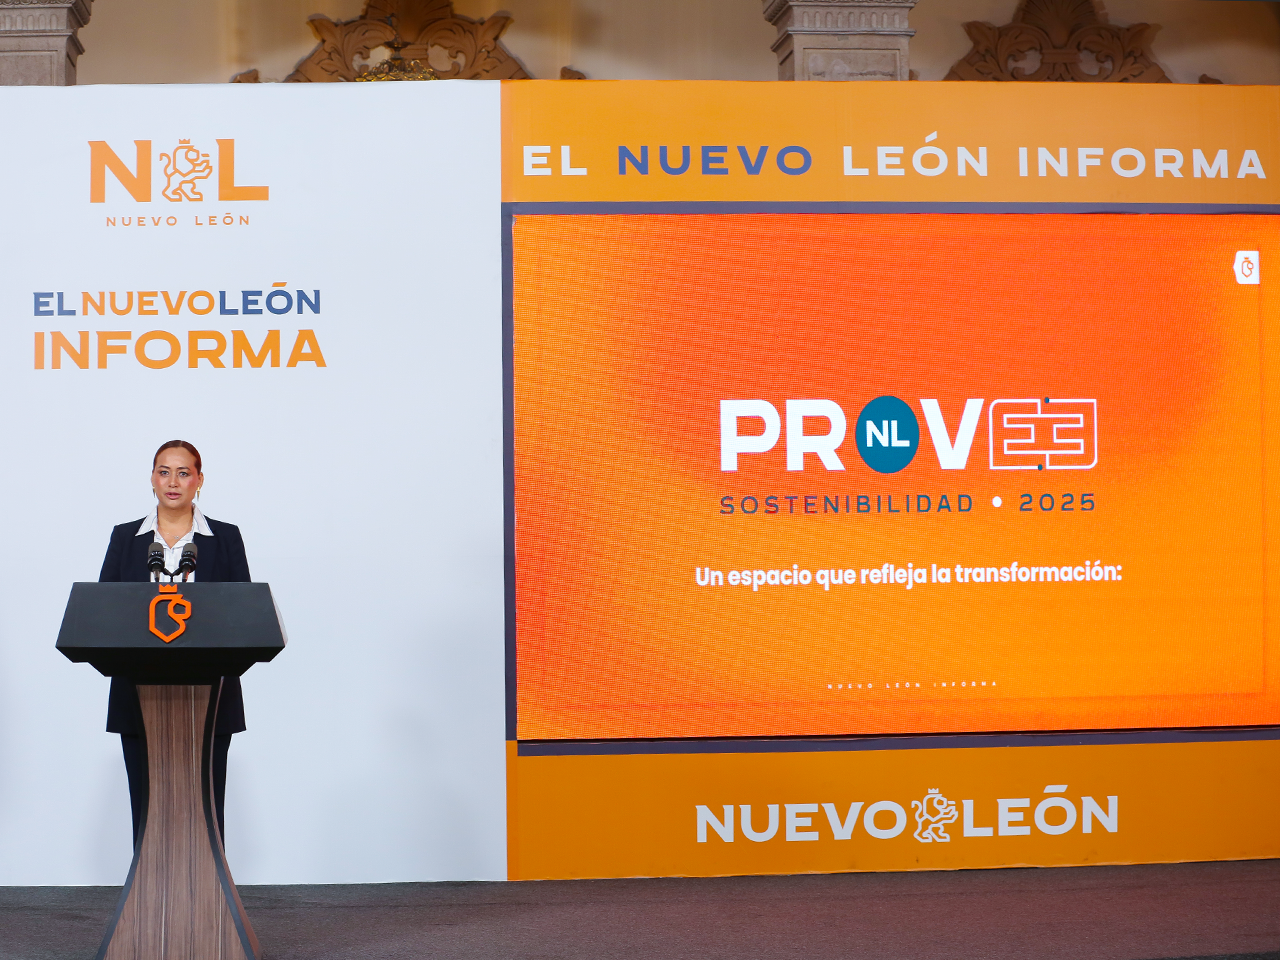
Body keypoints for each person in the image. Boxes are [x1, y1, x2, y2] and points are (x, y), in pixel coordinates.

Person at [98, 440, 252, 847]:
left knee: (206, 812)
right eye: (164, 472)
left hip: (210, 693)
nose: (172, 482)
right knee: (146, 810)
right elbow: (104, 611)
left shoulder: (225, 538)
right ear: (152, 478)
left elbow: (243, 614)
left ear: (199, 481)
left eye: (184, 473)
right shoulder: (125, 538)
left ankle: (208, 884)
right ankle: (146, 883)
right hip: (137, 692)